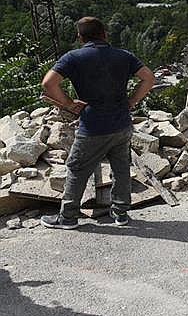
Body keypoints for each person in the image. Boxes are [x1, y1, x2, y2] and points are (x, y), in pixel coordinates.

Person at [40, 17, 155, 230]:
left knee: (77, 168)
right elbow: (148, 78)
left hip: (93, 126)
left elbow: (48, 83)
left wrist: (68, 103)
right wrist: (132, 101)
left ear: (80, 37)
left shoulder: (73, 58)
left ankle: (68, 217)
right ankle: (120, 213)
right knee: (120, 168)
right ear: (105, 33)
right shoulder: (124, 56)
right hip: (121, 124)